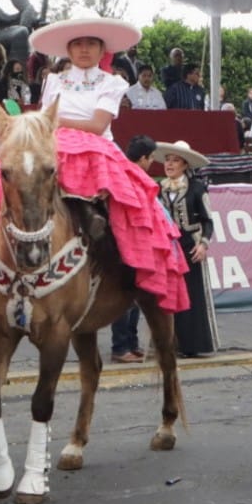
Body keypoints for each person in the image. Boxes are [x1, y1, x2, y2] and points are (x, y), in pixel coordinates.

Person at [0, 17, 189, 320]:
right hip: (52, 143)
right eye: (78, 44)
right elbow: (45, 120)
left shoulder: (113, 82)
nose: (84, 49)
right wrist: (41, 124)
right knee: (1, 181)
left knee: (135, 205)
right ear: (68, 49)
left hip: (96, 147)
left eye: (91, 44)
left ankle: (124, 266)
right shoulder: (54, 79)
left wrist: (49, 120)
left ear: (101, 49)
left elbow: (97, 125)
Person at [155, 140, 218, 357]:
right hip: (167, 246)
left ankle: (192, 344)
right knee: (168, 293)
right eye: (167, 160)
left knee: (191, 294)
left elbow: (208, 220)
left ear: (185, 165)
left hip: (189, 245)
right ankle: (169, 341)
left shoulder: (197, 188)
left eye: (175, 160)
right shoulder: (158, 189)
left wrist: (203, 244)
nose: (169, 164)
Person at [111, 135, 159, 362]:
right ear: (143, 158)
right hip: (126, 244)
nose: (151, 163)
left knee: (135, 298)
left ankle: (131, 342)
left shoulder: (125, 174)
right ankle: (121, 347)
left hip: (132, 243)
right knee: (125, 299)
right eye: (150, 159)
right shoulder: (128, 177)